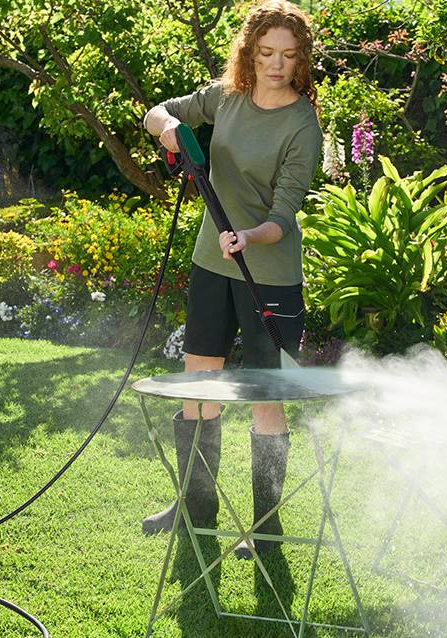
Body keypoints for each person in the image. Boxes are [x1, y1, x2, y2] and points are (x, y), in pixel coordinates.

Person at [141, 0, 322, 560]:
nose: (276, 65)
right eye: (266, 53)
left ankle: (266, 529)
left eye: (288, 56)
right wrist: (170, 127)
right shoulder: (226, 97)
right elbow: (156, 112)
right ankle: (195, 510)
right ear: (250, 51)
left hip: (267, 275)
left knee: (267, 398)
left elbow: (283, 215)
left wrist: (250, 234)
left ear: (300, 60)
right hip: (209, 265)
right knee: (200, 388)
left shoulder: (302, 124)